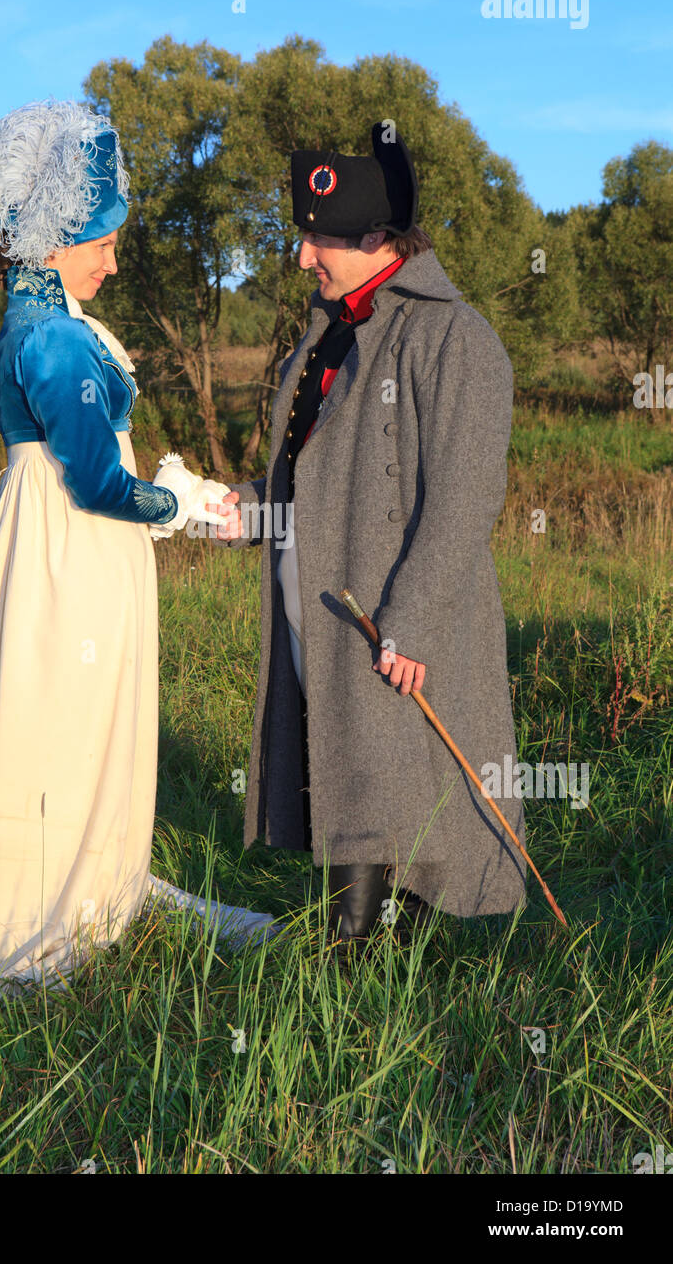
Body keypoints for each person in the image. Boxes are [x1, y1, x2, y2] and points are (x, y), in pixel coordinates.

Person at [0, 98, 275, 993]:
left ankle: (97, 882)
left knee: (75, 706)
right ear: (53, 238)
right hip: (73, 541)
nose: (114, 259)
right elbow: (95, 481)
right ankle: (39, 916)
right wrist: (177, 501)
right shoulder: (52, 337)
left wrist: (171, 492)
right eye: (101, 241)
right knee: (64, 711)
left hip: (66, 538)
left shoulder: (43, 318)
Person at [207, 122, 527, 957]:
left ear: (377, 240)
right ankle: (361, 952)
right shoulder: (326, 335)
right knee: (350, 762)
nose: (303, 258)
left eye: (319, 241)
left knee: (396, 770)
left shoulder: (457, 340)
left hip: (394, 609)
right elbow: (302, 471)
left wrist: (411, 619)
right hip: (321, 596)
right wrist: (239, 508)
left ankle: (373, 965)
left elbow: (464, 497)